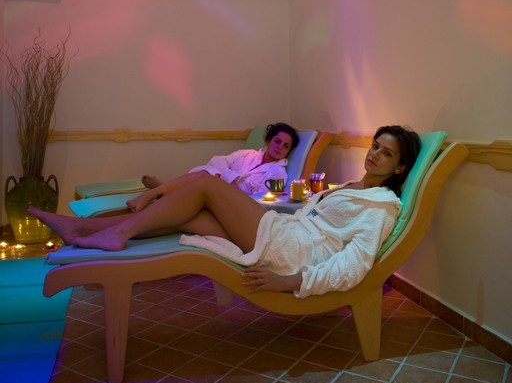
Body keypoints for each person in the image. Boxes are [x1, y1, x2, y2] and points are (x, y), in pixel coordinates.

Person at [31, 125, 420, 297]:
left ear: (400, 167)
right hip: (288, 232)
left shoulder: (382, 206)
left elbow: (355, 264)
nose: (375, 154)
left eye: (387, 153)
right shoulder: (353, 186)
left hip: (293, 251)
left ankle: (115, 232)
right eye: (375, 146)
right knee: (186, 214)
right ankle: (82, 230)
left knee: (205, 184)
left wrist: (291, 282)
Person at [125, 122, 299, 212]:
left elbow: (259, 199)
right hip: (218, 187)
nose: (279, 147)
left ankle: (161, 190)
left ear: (288, 151)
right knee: (209, 172)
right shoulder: (248, 154)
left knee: (207, 177)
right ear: (268, 140)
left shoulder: (278, 174)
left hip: (237, 202)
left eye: (285, 146)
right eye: (277, 141)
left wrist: (229, 185)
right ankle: (164, 190)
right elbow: (218, 160)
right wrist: (228, 179)